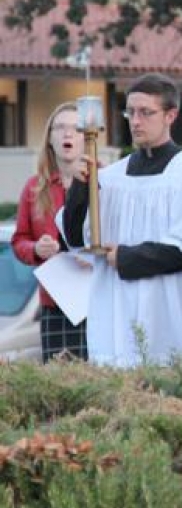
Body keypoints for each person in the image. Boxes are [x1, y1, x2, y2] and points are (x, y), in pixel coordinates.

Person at [61, 73, 182, 367]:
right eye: (130, 111)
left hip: (169, 316)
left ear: (171, 115)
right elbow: (74, 239)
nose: (135, 121)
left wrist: (127, 257)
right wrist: (81, 190)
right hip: (117, 314)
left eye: (146, 112)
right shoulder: (112, 177)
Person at [12, 102, 88, 362]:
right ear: (50, 139)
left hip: (96, 300)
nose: (68, 134)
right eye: (60, 128)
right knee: (59, 387)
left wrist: (93, 254)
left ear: (87, 137)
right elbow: (18, 240)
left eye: (76, 128)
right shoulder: (34, 188)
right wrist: (35, 249)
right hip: (54, 303)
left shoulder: (105, 181)